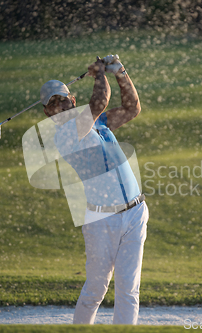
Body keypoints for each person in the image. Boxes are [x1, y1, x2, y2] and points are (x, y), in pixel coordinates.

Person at [40, 55, 149, 325]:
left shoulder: (98, 123)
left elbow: (132, 107)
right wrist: (100, 73)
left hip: (135, 213)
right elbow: (100, 101)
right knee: (95, 290)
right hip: (101, 220)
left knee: (128, 289)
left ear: (72, 100)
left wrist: (120, 72)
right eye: (53, 103)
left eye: (63, 98)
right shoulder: (65, 134)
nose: (60, 105)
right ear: (48, 113)